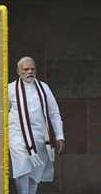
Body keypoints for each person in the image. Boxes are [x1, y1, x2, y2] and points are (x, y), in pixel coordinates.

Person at [8, 57, 65, 194]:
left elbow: (54, 113)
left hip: (40, 137)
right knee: (22, 167)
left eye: (32, 69)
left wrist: (59, 136)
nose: (30, 72)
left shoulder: (44, 87)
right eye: (26, 69)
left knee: (34, 174)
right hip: (18, 137)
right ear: (18, 71)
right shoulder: (9, 89)